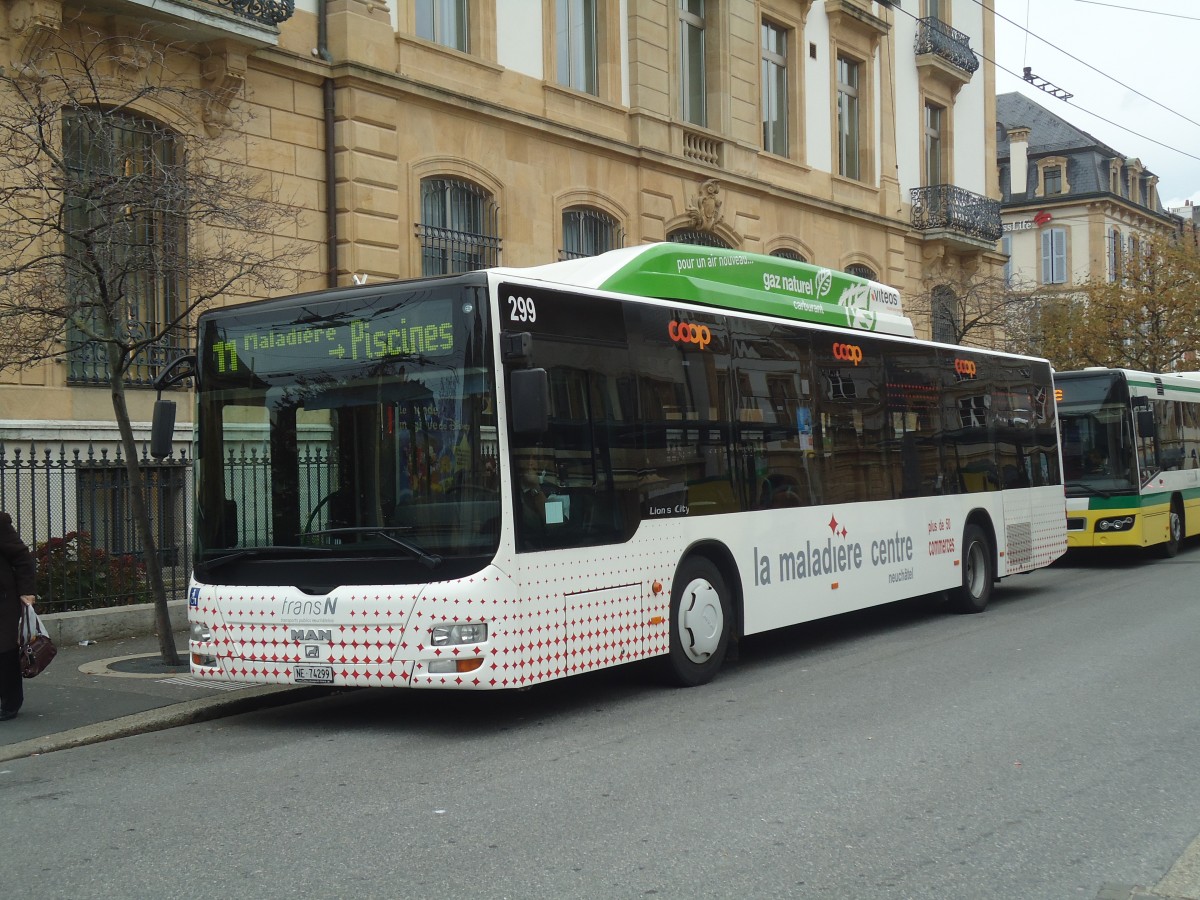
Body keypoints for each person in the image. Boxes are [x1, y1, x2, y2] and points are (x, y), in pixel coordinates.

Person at [0, 512, 37, 721]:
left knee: (4, 652)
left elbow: (22, 558)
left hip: (3, 599)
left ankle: (10, 703)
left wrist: (27, 590)